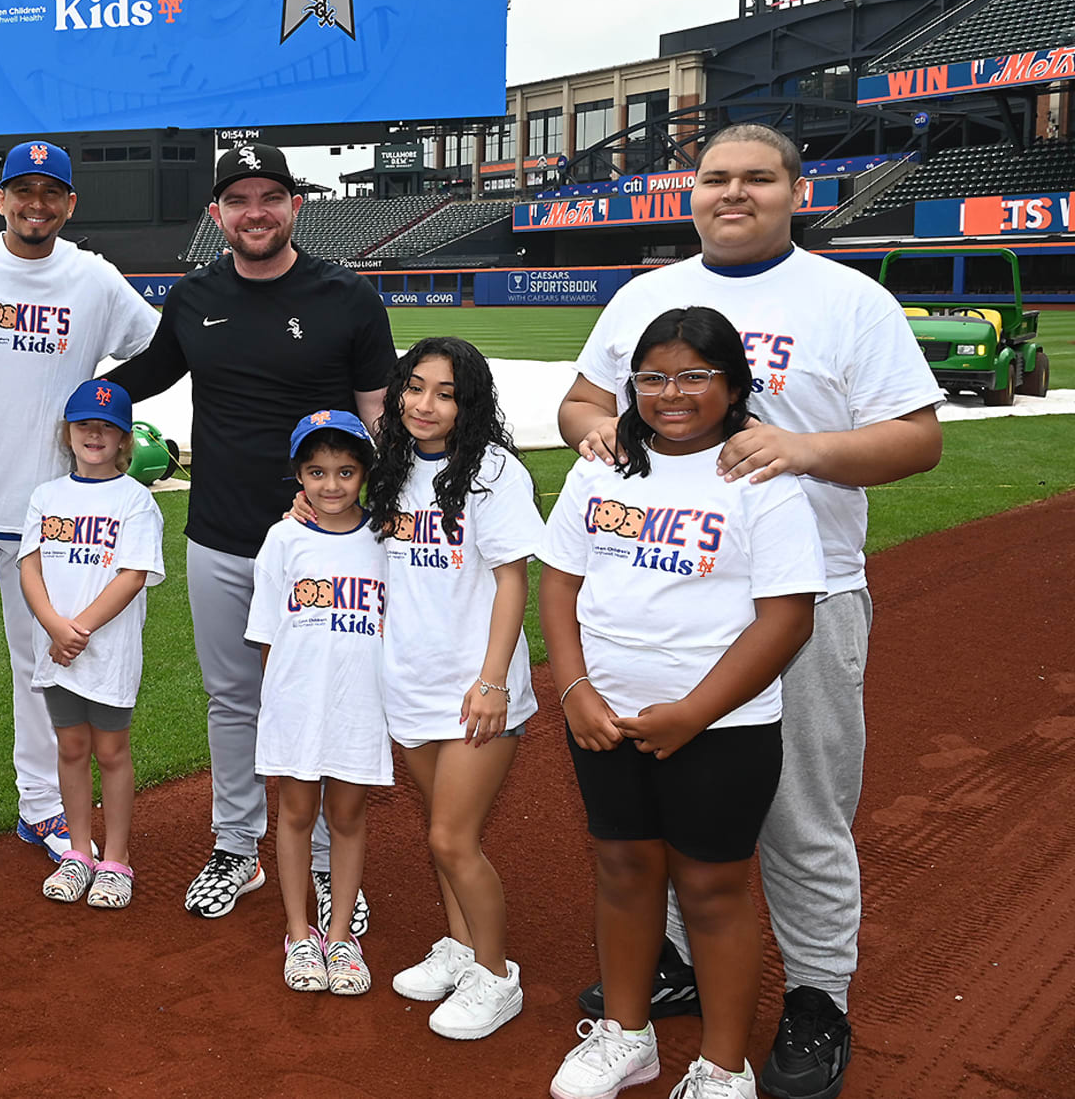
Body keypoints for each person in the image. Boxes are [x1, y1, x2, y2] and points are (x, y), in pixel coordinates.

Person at [558, 123, 942, 1099]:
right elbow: (581, 405)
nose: (735, 192)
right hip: (660, 588)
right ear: (692, 192)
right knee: (665, 799)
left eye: (758, 178)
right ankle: (677, 962)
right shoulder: (648, 296)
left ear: (794, 191)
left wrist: (797, 448)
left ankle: (817, 995)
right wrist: (601, 428)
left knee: (800, 815)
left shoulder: (849, 299)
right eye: (717, 177)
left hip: (797, 588)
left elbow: (917, 440)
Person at [108, 144, 395, 931]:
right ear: (217, 216)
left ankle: (337, 866)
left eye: (271, 195)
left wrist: (393, 504)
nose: (256, 211)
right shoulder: (196, 295)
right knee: (233, 700)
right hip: (223, 534)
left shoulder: (347, 296)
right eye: (239, 199)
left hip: (327, 541)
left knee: (335, 694)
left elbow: (380, 413)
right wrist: (71, 394)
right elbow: (148, 371)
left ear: (296, 205)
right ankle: (238, 846)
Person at [543, 306, 826, 1099]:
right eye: (653, 377)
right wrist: (572, 689)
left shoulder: (761, 479)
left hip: (721, 726)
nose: (672, 393)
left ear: (734, 385)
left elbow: (787, 618)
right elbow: (560, 584)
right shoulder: (603, 465)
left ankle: (723, 1065)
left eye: (695, 375)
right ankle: (628, 1036)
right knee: (624, 869)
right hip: (603, 715)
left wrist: (694, 713)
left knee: (710, 889)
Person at [0, 140, 160, 885]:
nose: (36, 204)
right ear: (0, 200)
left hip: (52, 515)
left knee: (45, 667)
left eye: (51, 192)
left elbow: (153, 348)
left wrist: (105, 422)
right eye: (23, 191)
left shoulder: (94, 279)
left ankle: (42, 804)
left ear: (70, 204)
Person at [365, 338, 538, 1038]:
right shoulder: (391, 466)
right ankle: (462, 948)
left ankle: (496, 976)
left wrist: (492, 681)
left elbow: (512, 580)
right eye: (414, 387)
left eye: (444, 392)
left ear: (467, 404)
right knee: (441, 835)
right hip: (409, 679)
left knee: (451, 836)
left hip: (475, 687)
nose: (424, 404)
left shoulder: (494, 472)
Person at [247, 411, 387, 995]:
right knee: (298, 816)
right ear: (299, 476)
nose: (331, 485)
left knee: (349, 819)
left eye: (346, 471)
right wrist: (282, 700)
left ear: (365, 474)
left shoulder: (385, 536)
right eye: (317, 472)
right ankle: (299, 932)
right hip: (298, 704)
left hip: (360, 703)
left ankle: (340, 937)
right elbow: (266, 635)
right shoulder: (283, 538)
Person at [17, 378, 166, 910]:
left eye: (107, 428)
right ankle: (79, 851)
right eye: (85, 425)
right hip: (57, 647)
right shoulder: (46, 496)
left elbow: (132, 575)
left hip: (104, 651)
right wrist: (54, 625)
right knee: (71, 749)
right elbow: (28, 564)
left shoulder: (134, 501)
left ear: (125, 439)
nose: (95, 435)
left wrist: (74, 630)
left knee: (110, 751)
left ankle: (117, 858)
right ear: (69, 433)